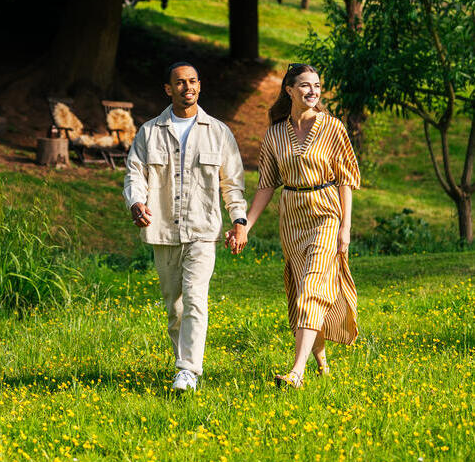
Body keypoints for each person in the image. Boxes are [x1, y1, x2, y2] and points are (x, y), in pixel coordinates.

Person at [123, 61, 248, 392]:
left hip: (202, 231)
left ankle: (188, 369)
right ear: (169, 89)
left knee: (195, 298)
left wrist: (239, 220)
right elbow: (134, 173)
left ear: (200, 86)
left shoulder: (218, 132)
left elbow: (232, 183)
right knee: (174, 307)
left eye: (192, 82)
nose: (187, 87)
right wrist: (136, 203)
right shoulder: (149, 132)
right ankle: (185, 366)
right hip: (163, 230)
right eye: (179, 83)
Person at [243, 62, 360, 388]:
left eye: (317, 86)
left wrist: (345, 227)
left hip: (326, 213)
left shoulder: (333, 128)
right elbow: (266, 184)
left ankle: (296, 373)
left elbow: (345, 180)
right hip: (292, 217)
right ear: (289, 90)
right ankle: (319, 356)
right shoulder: (276, 133)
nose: (313, 91)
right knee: (303, 295)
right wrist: (247, 225)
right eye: (306, 86)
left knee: (312, 289)